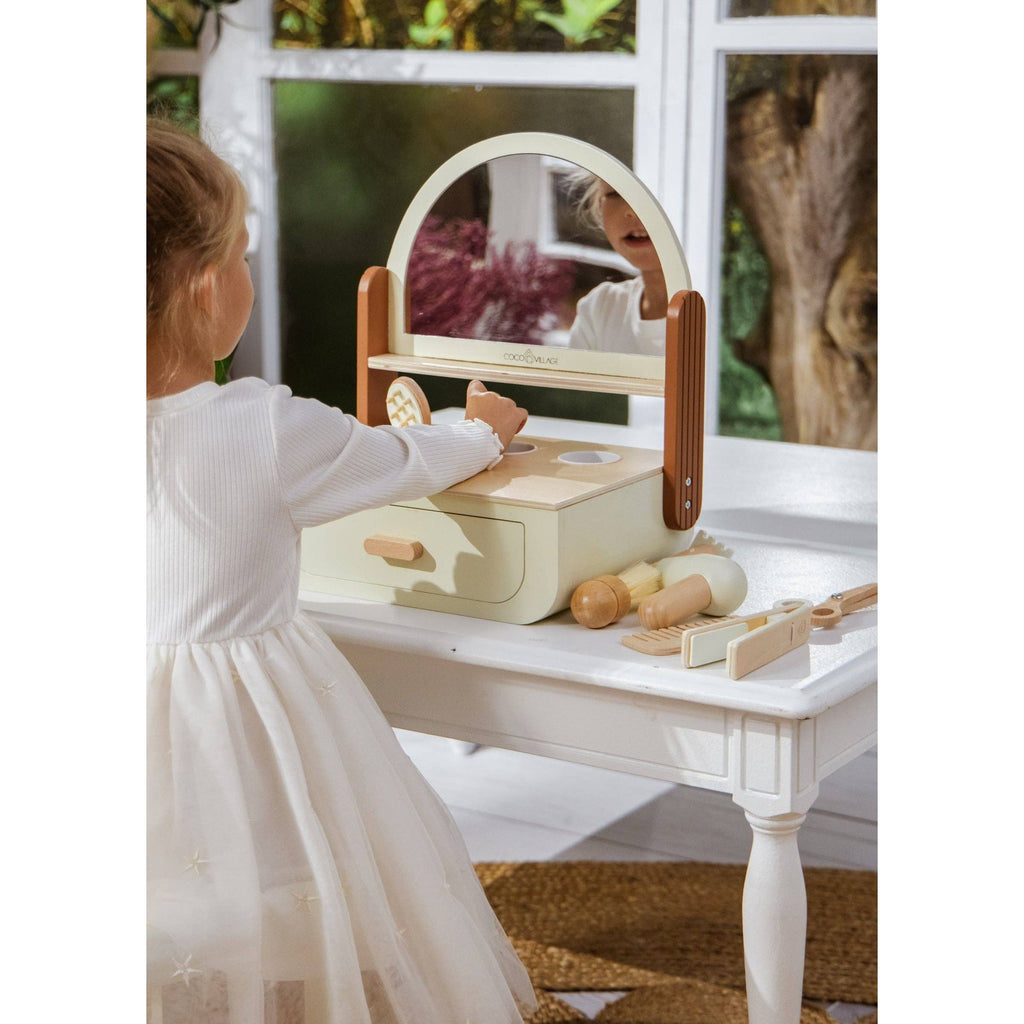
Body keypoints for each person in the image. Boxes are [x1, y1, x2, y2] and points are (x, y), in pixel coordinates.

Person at [146, 118, 536, 1024]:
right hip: (242, 726)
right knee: (296, 888)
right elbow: (400, 458)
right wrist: (482, 430)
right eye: (242, 257)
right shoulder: (260, 426)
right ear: (207, 289)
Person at [567, 175, 668, 355]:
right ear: (600, 205)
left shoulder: (715, 312)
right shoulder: (599, 310)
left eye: (651, 192)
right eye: (616, 194)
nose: (632, 211)